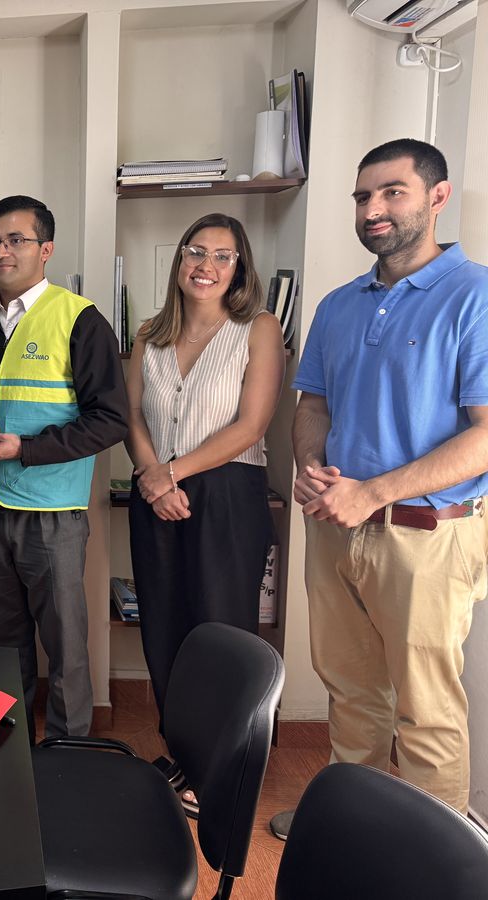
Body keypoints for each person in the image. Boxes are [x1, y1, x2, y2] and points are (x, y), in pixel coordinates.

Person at [293, 138, 488, 814]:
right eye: (362, 196)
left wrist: (373, 492)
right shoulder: (338, 306)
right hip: (336, 531)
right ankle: (356, 829)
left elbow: (486, 433)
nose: (373, 209)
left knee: (427, 712)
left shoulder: (477, 295)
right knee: (351, 694)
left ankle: (435, 869)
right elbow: (313, 405)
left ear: (437, 198)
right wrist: (312, 472)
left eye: (391, 192)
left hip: (426, 535)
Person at [0, 195, 127, 738]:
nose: (2, 252)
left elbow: (111, 421)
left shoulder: (81, 320)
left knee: (66, 644)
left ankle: (70, 755)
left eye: (16, 240)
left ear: (45, 249)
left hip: (51, 510)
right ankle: (9, 754)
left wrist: (25, 450)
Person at [125, 213, 283, 726]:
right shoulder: (149, 334)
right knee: (164, 625)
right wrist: (154, 478)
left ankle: (221, 761)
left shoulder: (257, 328)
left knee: (222, 630)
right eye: (196, 252)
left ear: (239, 268)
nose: (206, 265)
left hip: (228, 495)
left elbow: (252, 425)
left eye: (222, 256)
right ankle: (181, 749)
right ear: (180, 260)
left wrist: (168, 472)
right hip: (154, 495)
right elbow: (130, 415)